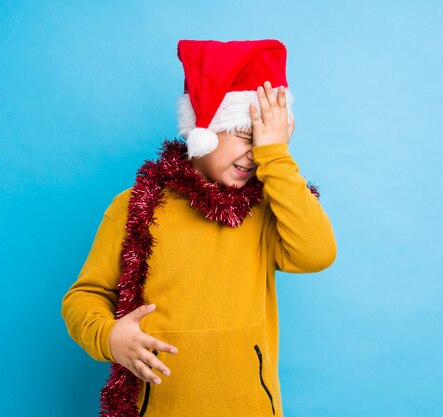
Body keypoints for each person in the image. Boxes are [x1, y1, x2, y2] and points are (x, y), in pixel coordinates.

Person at [60, 39, 337, 417]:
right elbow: (84, 296)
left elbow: (317, 253)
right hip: (160, 406)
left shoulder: (270, 209)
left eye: (266, 144)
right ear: (205, 128)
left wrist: (278, 159)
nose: (255, 155)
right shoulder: (135, 205)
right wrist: (109, 336)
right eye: (245, 135)